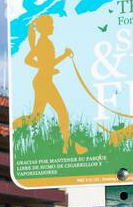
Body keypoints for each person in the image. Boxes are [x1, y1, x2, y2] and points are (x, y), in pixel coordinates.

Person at [13, 14, 88, 155]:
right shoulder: (44, 43)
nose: (52, 27)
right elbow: (32, 60)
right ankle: (68, 145)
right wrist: (54, 62)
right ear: (45, 28)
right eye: (50, 25)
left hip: (43, 80)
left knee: (36, 117)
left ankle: (15, 125)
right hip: (43, 82)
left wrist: (46, 67)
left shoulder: (43, 42)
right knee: (61, 112)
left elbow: (36, 61)